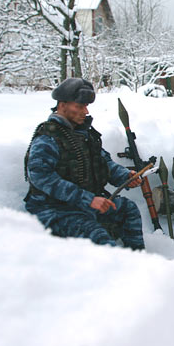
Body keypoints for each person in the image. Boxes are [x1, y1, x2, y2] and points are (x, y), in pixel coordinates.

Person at [24, 78, 145, 250]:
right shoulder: (48, 137)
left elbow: (103, 162)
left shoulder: (84, 135)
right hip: (54, 210)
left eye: (86, 106)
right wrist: (88, 199)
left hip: (82, 205)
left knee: (128, 209)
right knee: (98, 238)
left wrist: (124, 176)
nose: (85, 111)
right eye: (79, 106)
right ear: (62, 105)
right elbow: (40, 176)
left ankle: (138, 258)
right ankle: (117, 271)